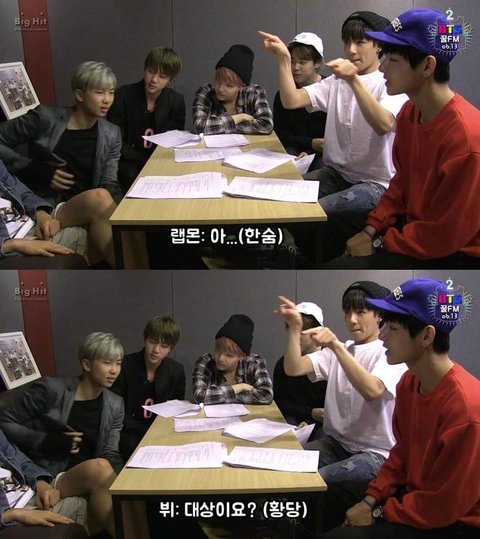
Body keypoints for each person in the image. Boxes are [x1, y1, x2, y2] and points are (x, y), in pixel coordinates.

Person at [324, 278, 480, 538]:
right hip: (416, 499)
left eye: (392, 328)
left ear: (426, 335)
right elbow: (402, 453)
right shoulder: (410, 382)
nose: (382, 335)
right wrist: (370, 500)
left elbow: (445, 504)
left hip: (455, 523)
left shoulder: (466, 408)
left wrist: (378, 513)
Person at [327, 9, 480, 269]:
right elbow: (402, 181)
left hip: (454, 254)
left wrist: (379, 244)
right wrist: (370, 230)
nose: (382, 67)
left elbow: (446, 234)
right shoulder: (411, 112)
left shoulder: (467, 138)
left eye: (393, 59)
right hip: (415, 230)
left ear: (427, 66)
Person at [260, 11, 408, 262]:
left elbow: (384, 123)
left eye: (360, 42)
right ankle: (305, 257)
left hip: (375, 184)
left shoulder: (388, 82)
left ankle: (319, 261)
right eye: (347, 42)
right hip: (337, 174)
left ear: (379, 45)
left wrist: (353, 81)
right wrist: (284, 60)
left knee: (313, 212)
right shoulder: (337, 82)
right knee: (285, 198)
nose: (351, 50)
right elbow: (291, 100)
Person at [275, 281, 407, 531]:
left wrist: (336, 346)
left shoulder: (388, 353)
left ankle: (304, 528)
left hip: (375, 454)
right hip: (337, 444)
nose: (352, 320)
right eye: (347, 312)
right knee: (287, 464)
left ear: (379, 315)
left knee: (317, 481)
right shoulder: (342, 350)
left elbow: (373, 390)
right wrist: (294, 329)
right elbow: (293, 368)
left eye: (361, 312)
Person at [0, 332, 148, 539]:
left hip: (85, 475)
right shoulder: (50, 389)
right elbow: (5, 421)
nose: (114, 370)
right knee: (100, 467)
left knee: (132, 491)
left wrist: (124, 482)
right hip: (51, 474)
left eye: (118, 363)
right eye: (107, 363)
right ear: (87, 365)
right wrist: (45, 441)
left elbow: (110, 452)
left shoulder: (115, 403)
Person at [0, 62, 123, 267]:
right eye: (99, 92)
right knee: (102, 203)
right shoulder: (45, 117)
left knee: (129, 226)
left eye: (111, 92)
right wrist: (32, 168)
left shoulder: (111, 133)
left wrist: (123, 214)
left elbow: (109, 182)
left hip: (85, 205)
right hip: (47, 204)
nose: (107, 100)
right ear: (79, 95)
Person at [108, 46, 185, 193]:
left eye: (162, 76)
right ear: (145, 69)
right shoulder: (123, 96)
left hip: (159, 163)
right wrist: (142, 162)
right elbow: (116, 142)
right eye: (151, 71)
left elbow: (173, 140)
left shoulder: (176, 101)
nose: (154, 79)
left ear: (170, 80)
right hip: (126, 165)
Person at [111, 315, 184, 460]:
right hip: (127, 431)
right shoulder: (125, 365)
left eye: (164, 346)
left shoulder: (176, 370)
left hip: (160, 430)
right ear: (145, 339)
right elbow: (115, 410)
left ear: (170, 349)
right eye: (152, 342)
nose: (156, 350)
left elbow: (175, 408)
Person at [0, 427, 79, 530]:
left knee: (96, 468)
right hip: (13, 513)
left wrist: (41, 483)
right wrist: (13, 514)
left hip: (28, 488)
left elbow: (21, 461)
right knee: (85, 506)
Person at [273, 32, 327, 172]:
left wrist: (311, 150)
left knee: (323, 166)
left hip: (323, 152)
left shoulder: (328, 89)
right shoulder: (284, 94)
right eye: (292, 61)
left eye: (303, 62)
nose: (296, 67)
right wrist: (309, 144)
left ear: (316, 63)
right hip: (295, 148)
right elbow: (280, 132)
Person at [192, 44, 273, 135]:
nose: (220, 89)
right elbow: (199, 126)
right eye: (218, 81)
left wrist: (218, 127)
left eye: (229, 85)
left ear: (242, 87)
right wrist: (240, 117)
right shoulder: (205, 92)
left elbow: (266, 125)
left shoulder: (255, 93)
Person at [192, 314, 273, 404]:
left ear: (242, 356)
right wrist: (239, 387)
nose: (220, 358)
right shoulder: (205, 362)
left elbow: (266, 395)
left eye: (229, 355)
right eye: (218, 351)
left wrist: (220, 397)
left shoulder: (255, 363)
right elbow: (199, 396)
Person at [274, 301, 327, 429]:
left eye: (301, 329)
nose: (295, 335)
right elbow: (281, 403)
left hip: (324, 426)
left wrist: (312, 421)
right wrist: (310, 413)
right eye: (291, 329)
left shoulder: (330, 360)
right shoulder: (283, 364)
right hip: (292, 422)